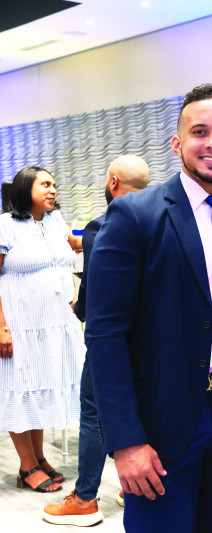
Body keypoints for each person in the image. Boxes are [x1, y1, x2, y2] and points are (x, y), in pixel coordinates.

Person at [84, 84, 212, 532]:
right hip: (163, 421)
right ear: (177, 143)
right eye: (200, 131)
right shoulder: (134, 215)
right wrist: (125, 441)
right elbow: (104, 335)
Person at [43, 155, 149, 526]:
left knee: (92, 414)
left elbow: (94, 290)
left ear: (113, 182)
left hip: (111, 343)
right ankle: (133, 486)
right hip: (153, 344)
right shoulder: (162, 222)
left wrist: (81, 307)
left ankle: (85, 498)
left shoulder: (101, 226)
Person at [0, 166, 84, 493]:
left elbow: (74, 248)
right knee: (21, 390)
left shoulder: (54, 221)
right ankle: (26, 466)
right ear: (25, 188)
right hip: (21, 327)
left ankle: (38, 457)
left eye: (54, 183)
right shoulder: (6, 225)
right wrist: (2, 328)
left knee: (41, 390)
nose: (53, 189)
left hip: (56, 325)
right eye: (45, 184)